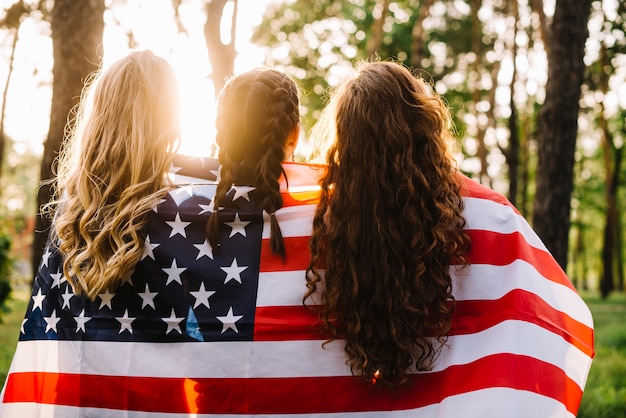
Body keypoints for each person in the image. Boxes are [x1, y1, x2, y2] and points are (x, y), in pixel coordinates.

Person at [304, 61, 594, 416]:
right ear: (423, 125)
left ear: (343, 138)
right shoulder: (490, 215)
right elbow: (548, 316)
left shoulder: (311, 221)